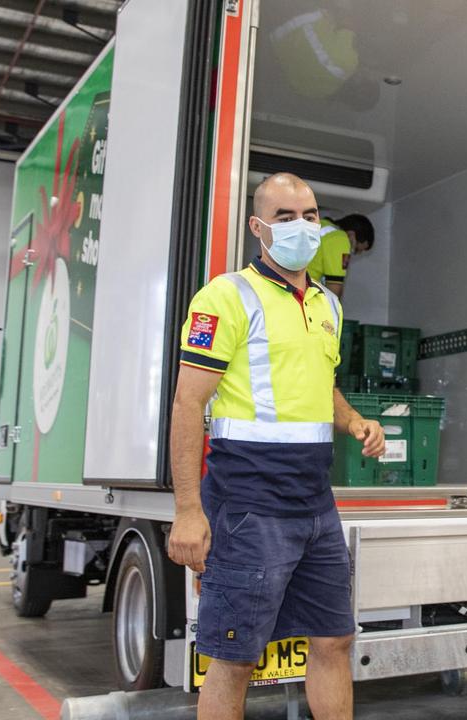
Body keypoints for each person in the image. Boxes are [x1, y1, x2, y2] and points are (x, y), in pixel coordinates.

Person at [167, 172, 385, 720]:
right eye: (285, 217)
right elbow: (188, 404)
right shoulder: (226, 296)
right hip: (247, 507)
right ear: (257, 227)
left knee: (334, 642)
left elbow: (319, 384)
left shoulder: (327, 307)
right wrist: (189, 511)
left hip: (315, 505)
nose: (302, 227)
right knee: (235, 659)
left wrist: (355, 420)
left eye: (310, 215)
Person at [307, 213, 374, 298]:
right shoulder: (340, 239)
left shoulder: (322, 225)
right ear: (351, 236)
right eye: (355, 249)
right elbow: (333, 291)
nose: (351, 253)